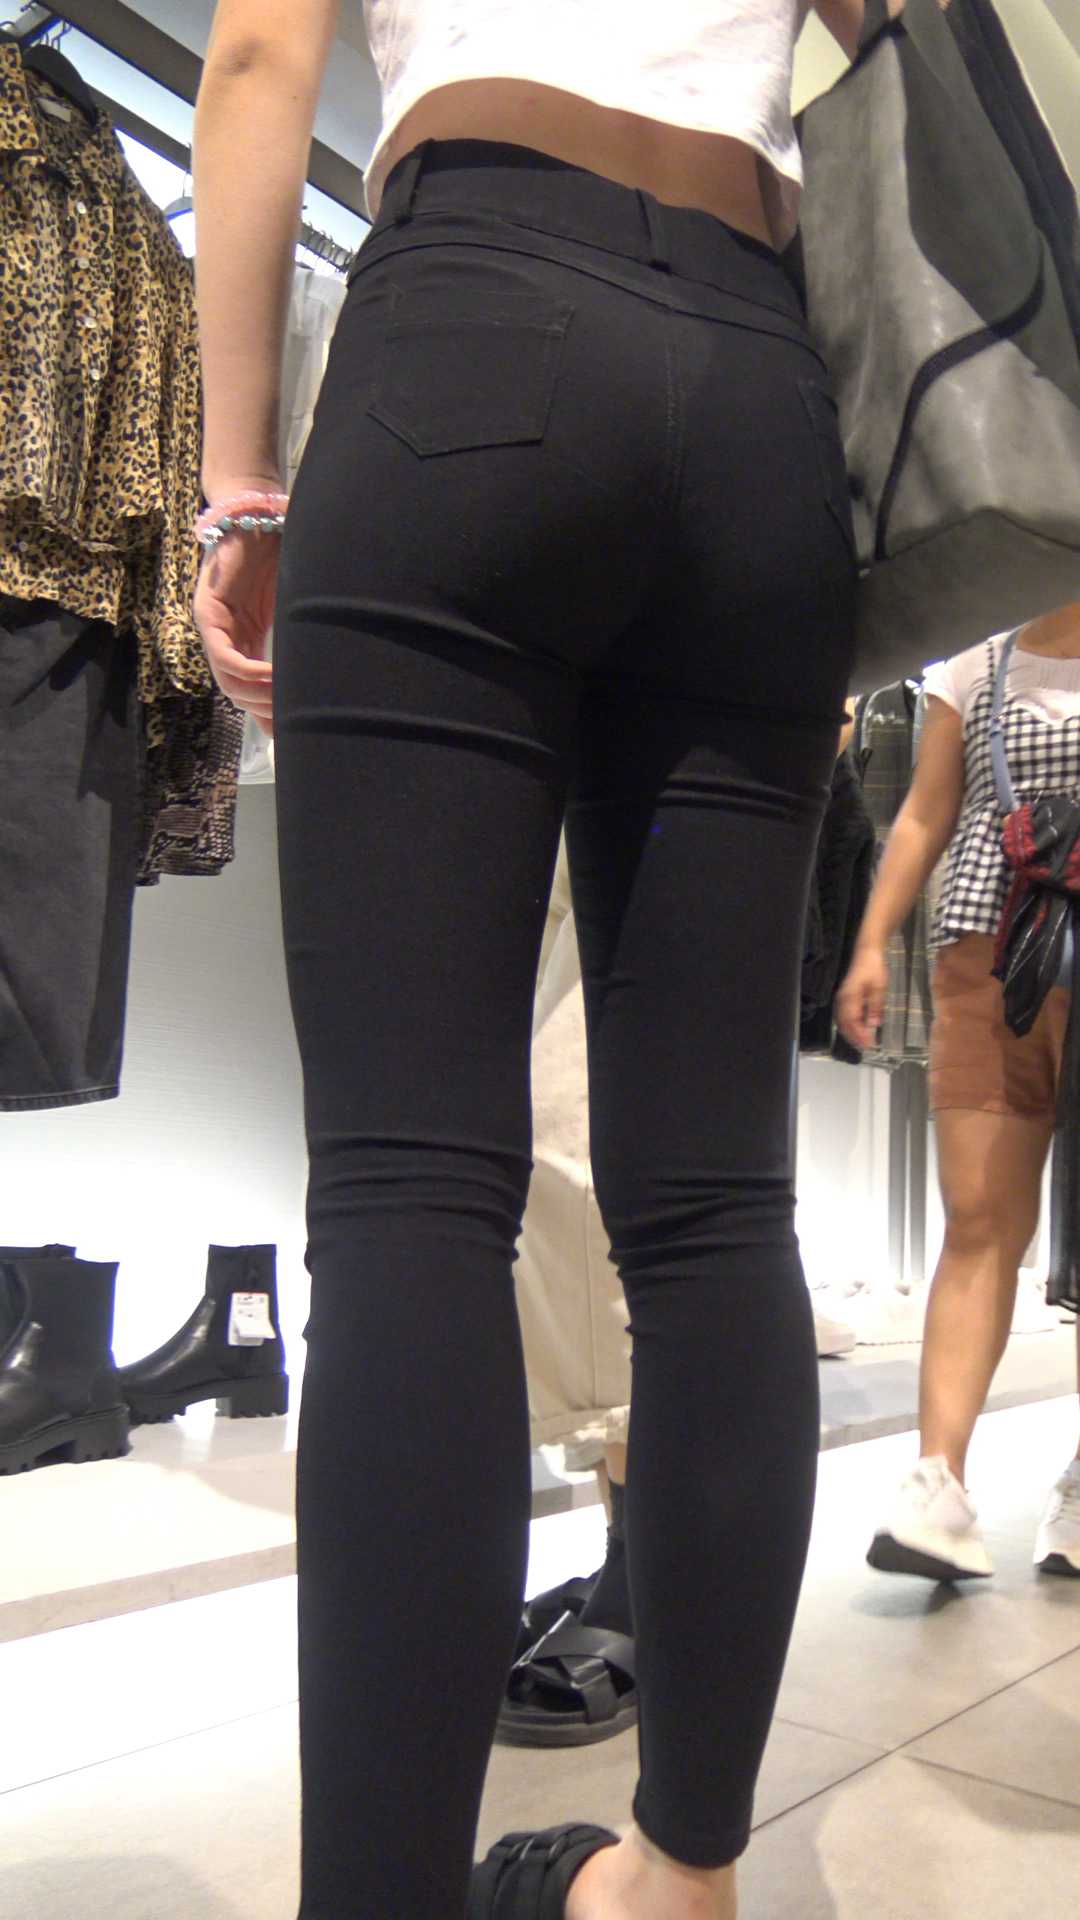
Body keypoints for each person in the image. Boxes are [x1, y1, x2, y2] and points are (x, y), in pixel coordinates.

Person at [192, 3, 872, 1914]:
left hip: (471, 312)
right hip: (762, 381)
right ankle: (681, 1882)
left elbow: (255, 58)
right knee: (718, 1210)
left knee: (411, 1195)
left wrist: (240, 480)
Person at [838, 604, 1080, 1585]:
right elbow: (926, 811)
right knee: (978, 1216)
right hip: (989, 950)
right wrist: (870, 941)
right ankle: (937, 1485)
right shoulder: (974, 659)